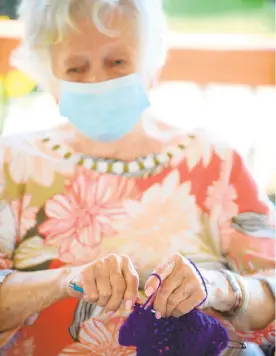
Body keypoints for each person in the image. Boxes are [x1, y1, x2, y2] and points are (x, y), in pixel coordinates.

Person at [0, 0, 275, 355]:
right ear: (48, 77)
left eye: (117, 62)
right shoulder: (12, 162)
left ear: (151, 65)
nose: (97, 80)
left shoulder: (214, 161)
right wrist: (65, 280)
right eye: (75, 68)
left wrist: (218, 287)